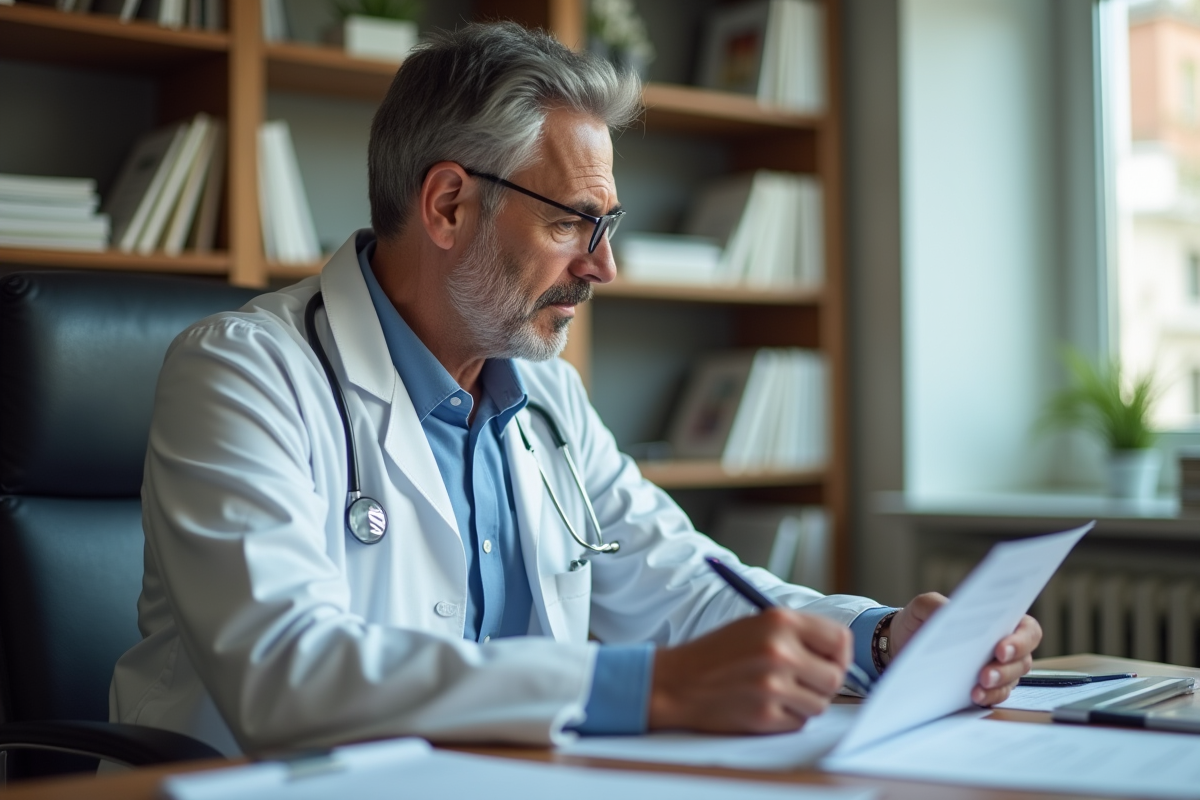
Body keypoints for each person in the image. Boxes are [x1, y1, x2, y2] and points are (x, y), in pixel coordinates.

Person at [109, 22, 1041, 756]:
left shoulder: (544, 398)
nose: (606, 268)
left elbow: (683, 586)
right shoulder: (241, 372)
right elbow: (284, 674)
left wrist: (878, 643)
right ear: (447, 205)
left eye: (610, 225)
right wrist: (648, 690)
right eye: (576, 224)